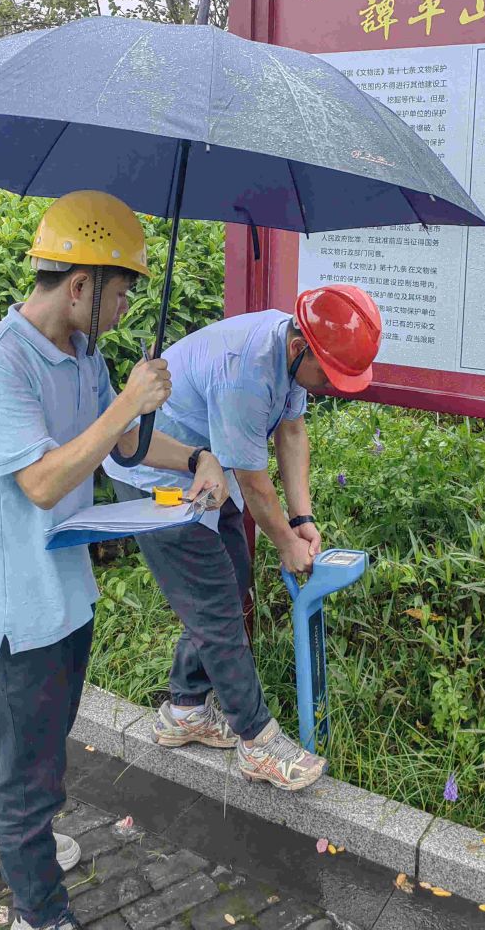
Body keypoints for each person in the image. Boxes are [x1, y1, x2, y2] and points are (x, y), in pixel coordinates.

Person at [0, 190, 228, 930]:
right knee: (33, 778)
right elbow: (42, 482)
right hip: (14, 615)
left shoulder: (84, 355)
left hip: (66, 597)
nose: (127, 308)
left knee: (26, 747)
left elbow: (125, 444)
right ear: (80, 285)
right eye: (122, 291)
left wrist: (195, 455)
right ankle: (40, 913)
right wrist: (125, 403)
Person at [104, 283, 382, 792]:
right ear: (299, 347)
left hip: (210, 465)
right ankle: (256, 741)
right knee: (214, 600)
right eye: (328, 375)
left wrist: (301, 519)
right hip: (155, 468)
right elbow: (254, 482)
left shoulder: (290, 352)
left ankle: (186, 709)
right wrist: (287, 545)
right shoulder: (247, 373)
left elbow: (292, 431)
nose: (331, 387)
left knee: (231, 583)